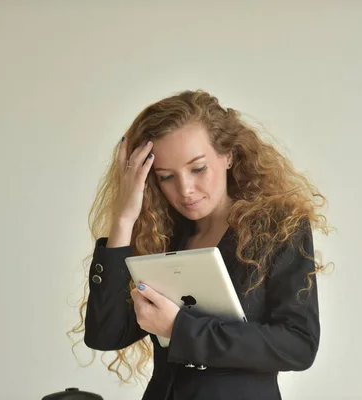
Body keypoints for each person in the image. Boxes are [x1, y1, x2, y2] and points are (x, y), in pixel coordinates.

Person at [69, 90, 331, 400]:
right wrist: (124, 219)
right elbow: (106, 334)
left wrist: (181, 329)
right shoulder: (162, 235)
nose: (185, 190)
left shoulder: (277, 229)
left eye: (197, 169)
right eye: (166, 177)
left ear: (229, 155)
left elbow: (298, 346)